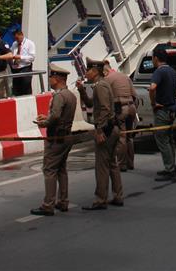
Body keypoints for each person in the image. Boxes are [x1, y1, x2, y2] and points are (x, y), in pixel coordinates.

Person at [31, 64, 77, 215]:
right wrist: (48, 117)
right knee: (61, 169)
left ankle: (48, 204)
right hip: (67, 135)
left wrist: (44, 122)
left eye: (51, 77)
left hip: (56, 137)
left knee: (49, 169)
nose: (50, 80)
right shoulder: (70, 95)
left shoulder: (58, 95)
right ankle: (63, 200)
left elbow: (56, 116)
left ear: (56, 79)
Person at [76, 62, 123, 210]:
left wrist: (100, 130)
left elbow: (104, 109)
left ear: (95, 71)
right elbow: (91, 103)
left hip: (107, 129)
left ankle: (100, 199)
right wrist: (82, 91)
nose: (86, 72)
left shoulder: (101, 86)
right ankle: (117, 195)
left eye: (88, 70)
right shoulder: (100, 85)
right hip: (111, 128)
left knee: (102, 166)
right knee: (112, 164)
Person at [98, 57, 137, 172]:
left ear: (105, 72)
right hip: (132, 107)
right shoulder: (125, 76)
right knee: (130, 137)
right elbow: (134, 94)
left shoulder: (107, 80)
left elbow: (105, 100)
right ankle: (131, 163)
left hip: (121, 109)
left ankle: (122, 164)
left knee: (122, 137)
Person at [148, 47, 176, 181]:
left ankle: (169, 169)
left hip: (163, 110)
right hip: (173, 108)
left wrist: (154, 103)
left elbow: (152, 88)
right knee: (170, 139)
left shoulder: (158, 72)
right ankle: (172, 166)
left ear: (156, 58)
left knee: (162, 140)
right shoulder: (172, 71)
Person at [8, 29, 36, 97]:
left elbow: (32, 57)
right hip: (15, 69)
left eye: (17, 38)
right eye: (15, 38)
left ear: (21, 35)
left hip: (25, 68)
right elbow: (12, 53)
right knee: (16, 89)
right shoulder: (14, 44)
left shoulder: (30, 43)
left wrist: (20, 57)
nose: (17, 40)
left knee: (26, 88)